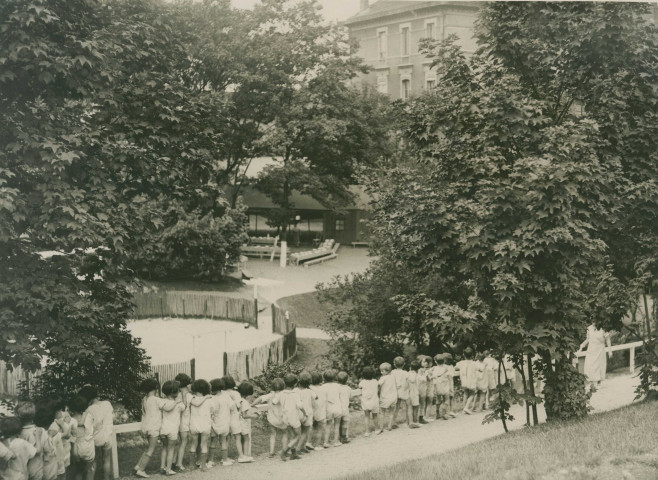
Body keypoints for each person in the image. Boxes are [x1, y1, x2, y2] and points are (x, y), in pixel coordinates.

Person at [134, 378, 179, 478]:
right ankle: (141, 470)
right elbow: (167, 408)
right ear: (155, 388)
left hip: (146, 426)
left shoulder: (145, 399)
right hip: (154, 427)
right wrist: (176, 402)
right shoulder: (156, 399)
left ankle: (138, 466)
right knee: (151, 450)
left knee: (147, 448)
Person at [78, 386, 113, 480]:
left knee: (94, 462)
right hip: (108, 436)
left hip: (96, 438)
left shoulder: (89, 410)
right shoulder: (107, 404)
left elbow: (88, 425)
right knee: (106, 460)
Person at [17, 401, 54, 480]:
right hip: (35, 469)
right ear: (34, 416)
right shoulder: (40, 431)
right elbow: (48, 449)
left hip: (19, 471)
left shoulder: (16, 432)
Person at [251, 378, 286, 458]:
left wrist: (252, 405)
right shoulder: (284, 395)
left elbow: (260, 398)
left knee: (273, 434)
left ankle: (271, 451)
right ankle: (284, 450)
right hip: (282, 418)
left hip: (272, 419)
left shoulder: (270, 395)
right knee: (285, 433)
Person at [159, 381, 185, 475]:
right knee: (171, 449)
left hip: (163, 429)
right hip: (172, 430)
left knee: (164, 448)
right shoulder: (178, 404)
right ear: (174, 392)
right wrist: (179, 400)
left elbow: (165, 408)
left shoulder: (162, 401)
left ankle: (162, 467)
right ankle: (168, 469)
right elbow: (184, 407)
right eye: (178, 391)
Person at [187, 379, 213, 471]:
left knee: (193, 444)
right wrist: (206, 398)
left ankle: (191, 465)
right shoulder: (209, 399)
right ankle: (203, 465)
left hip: (194, 424)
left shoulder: (192, 398)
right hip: (205, 423)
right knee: (204, 444)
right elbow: (212, 411)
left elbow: (196, 404)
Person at [208, 378, 234, 468]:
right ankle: (225, 459)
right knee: (224, 441)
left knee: (213, 441)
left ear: (214, 389)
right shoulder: (226, 395)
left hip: (215, 423)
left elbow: (212, 411)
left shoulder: (213, 399)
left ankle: (210, 461)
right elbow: (232, 407)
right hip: (225, 422)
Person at [68, 396, 95, 480]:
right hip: (87, 446)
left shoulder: (70, 420)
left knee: (78, 471)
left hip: (76, 447)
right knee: (89, 470)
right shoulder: (88, 416)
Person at [279, 374, 305, 460]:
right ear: (295, 384)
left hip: (285, 417)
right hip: (293, 417)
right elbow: (300, 406)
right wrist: (305, 413)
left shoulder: (281, 393)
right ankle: (285, 451)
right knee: (298, 435)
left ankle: (293, 454)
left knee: (292, 435)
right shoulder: (295, 394)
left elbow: (275, 401)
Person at [222, 376, 244, 464]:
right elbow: (239, 405)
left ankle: (225, 457)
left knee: (226, 438)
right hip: (234, 416)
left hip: (224, 417)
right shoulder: (235, 393)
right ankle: (241, 456)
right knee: (237, 437)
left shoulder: (222, 393)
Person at [173, 373, 192, 472]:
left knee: (178, 442)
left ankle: (173, 461)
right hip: (185, 421)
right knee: (184, 442)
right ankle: (179, 464)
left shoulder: (176, 395)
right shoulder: (188, 395)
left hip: (176, 421)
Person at [236, 382, 258, 463]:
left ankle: (243, 455)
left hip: (239, 423)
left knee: (242, 438)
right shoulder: (245, 402)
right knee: (246, 438)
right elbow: (244, 415)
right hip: (244, 423)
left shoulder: (239, 400)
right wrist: (253, 416)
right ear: (248, 394)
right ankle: (245, 455)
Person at [296, 372, 316, 454]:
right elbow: (316, 397)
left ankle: (300, 447)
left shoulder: (295, 390)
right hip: (307, 413)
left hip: (297, 412)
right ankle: (298, 448)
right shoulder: (309, 391)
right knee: (305, 431)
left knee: (297, 431)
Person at [322, 370, 342, 448]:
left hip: (329, 408)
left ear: (324, 378)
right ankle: (336, 441)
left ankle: (326, 442)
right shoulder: (338, 386)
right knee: (337, 425)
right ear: (334, 377)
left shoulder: (323, 387)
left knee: (328, 425)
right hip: (337, 407)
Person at [357, 366, 379, 436]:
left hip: (366, 402)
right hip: (374, 402)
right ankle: (376, 429)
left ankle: (367, 431)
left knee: (367, 416)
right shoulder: (375, 381)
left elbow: (359, 387)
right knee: (375, 416)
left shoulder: (362, 382)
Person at [309, 372, 326, 450]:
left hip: (311, 410)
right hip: (320, 410)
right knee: (319, 429)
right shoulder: (323, 388)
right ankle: (317, 445)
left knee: (310, 427)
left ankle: (308, 442)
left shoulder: (309, 388)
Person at [377, 362, 397, 432]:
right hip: (393, 397)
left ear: (387, 371)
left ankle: (381, 427)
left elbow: (378, 384)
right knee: (391, 412)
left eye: (382, 371)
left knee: (382, 412)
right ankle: (389, 426)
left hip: (385, 398)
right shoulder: (392, 377)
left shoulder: (383, 378)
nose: (381, 372)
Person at [432, 354, 451, 420]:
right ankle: (443, 412)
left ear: (436, 362)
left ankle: (437, 414)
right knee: (446, 399)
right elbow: (449, 376)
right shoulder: (446, 368)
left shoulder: (434, 369)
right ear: (444, 361)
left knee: (438, 400)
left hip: (437, 387)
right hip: (445, 387)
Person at [336, 372, 352, 444]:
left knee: (338, 423)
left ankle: (338, 437)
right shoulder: (348, 388)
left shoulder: (336, 388)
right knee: (345, 422)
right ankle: (344, 436)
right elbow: (350, 397)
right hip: (345, 407)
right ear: (346, 380)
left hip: (338, 407)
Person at [417, 356, 432, 424]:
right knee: (423, 403)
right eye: (423, 362)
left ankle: (426, 416)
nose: (424, 363)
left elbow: (429, 379)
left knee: (428, 402)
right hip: (422, 388)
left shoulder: (430, 370)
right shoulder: (420, 370)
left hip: (428, 388)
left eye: (426, 362)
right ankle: (421, 417)